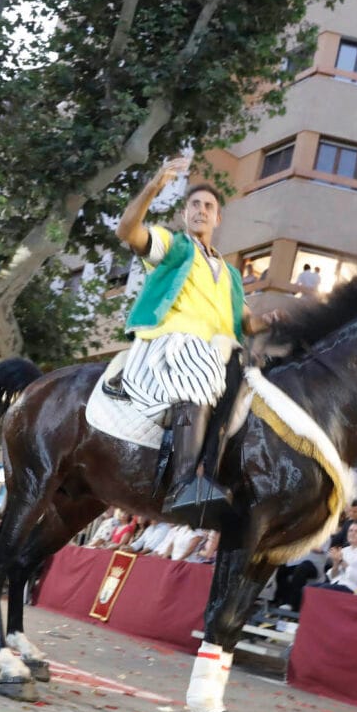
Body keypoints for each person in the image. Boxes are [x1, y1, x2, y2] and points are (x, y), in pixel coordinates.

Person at [114, 156, 272, 526]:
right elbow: (126, 231)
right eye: (195, 206)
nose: (201, 211)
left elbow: (247, 323)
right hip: (173, 340)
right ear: (185, 215)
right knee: (200, 366)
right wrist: (155, 184)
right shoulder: (173, 247)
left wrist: (276, 319)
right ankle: (184, 484)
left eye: (209, 207)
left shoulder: (231, 273)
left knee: (253, 384)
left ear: (218, 219)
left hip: (219, 347)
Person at [320, 518, 357, 593]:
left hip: (351, 588)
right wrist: (336, 563)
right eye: (350, 530)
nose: (352, 533)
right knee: (308, 588)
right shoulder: (344, 550)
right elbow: (333, 576)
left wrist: (341, 561)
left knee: (321, 590)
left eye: (356, 531)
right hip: (337, 583)